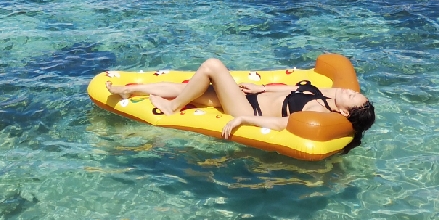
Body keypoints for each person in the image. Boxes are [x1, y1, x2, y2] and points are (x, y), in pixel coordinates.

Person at [108, 58, 375, 143]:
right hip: (252, 97)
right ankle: (130, 92)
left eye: (351, 96)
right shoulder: (329, 95)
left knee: (212, 66)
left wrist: (245, 118)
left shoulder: (318, 110)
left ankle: (172, 108)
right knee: (191, 88)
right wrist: (260, 87)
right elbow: (293, 89)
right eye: (352, 91)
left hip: (248, 109)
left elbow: (285, 123)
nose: (348, 91)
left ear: (343, 112)